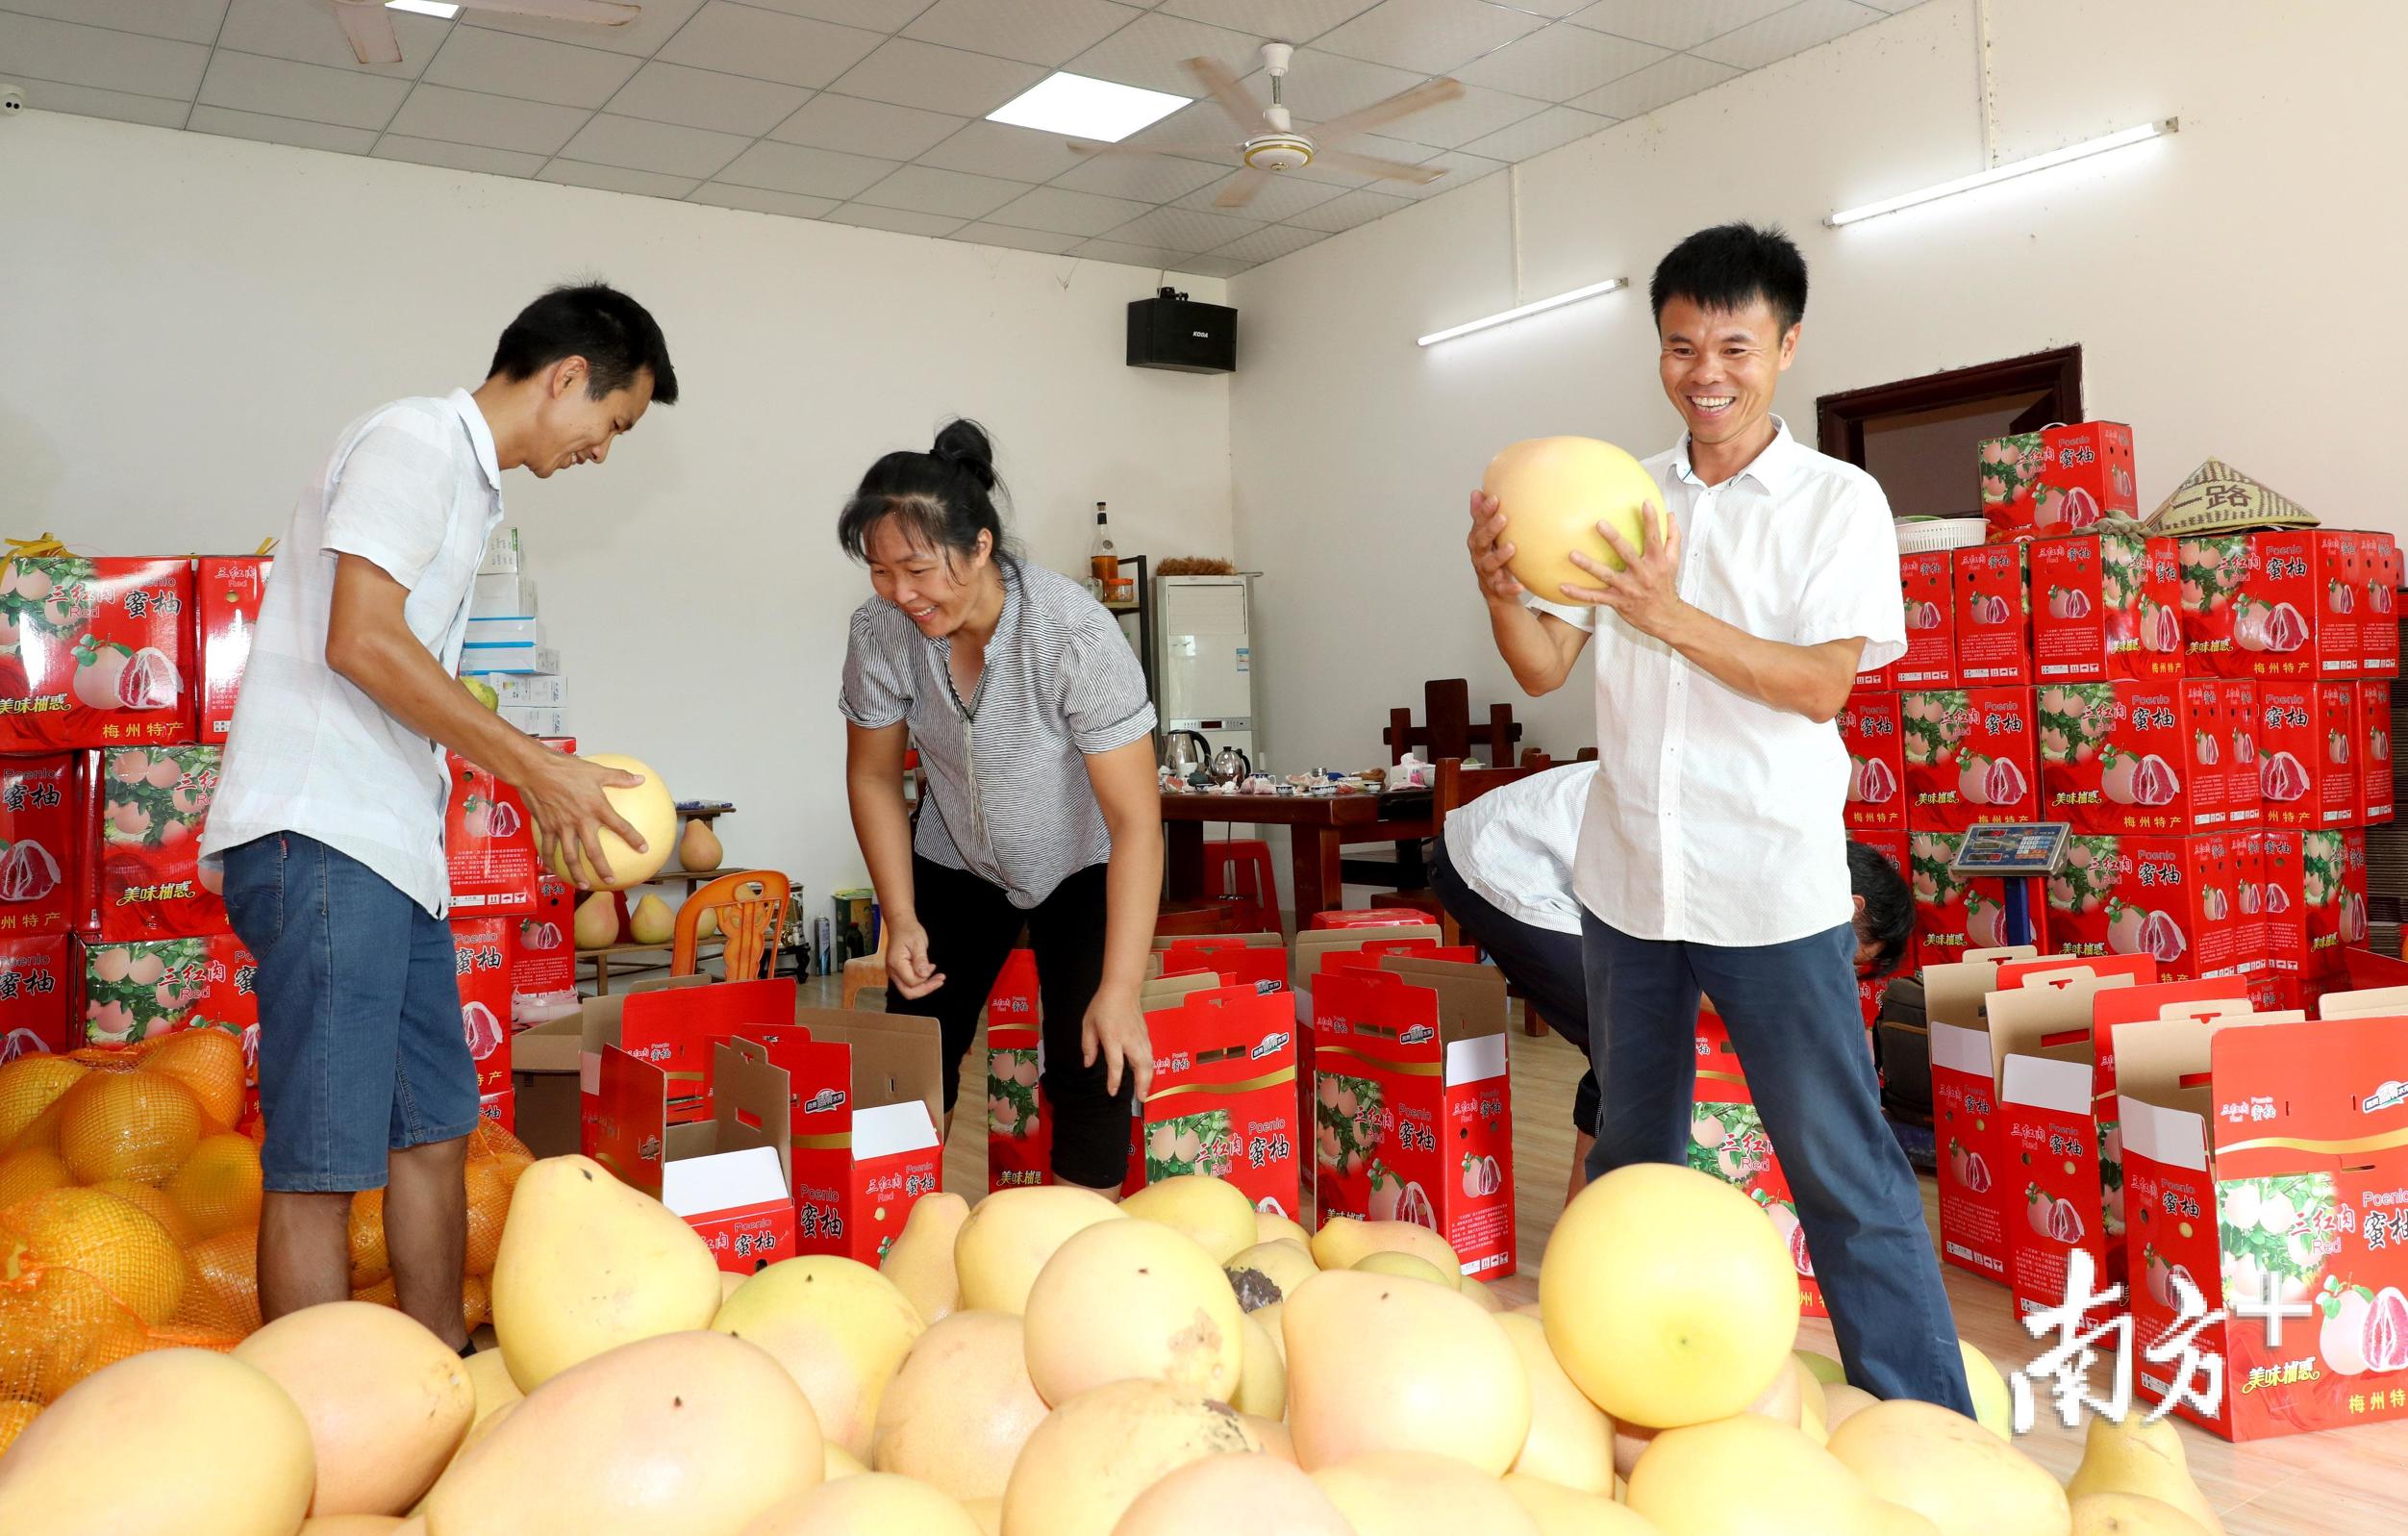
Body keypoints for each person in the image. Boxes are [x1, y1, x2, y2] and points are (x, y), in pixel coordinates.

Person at [1463, 223, 1972, 1410]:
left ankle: (1929, 1428)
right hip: (1630, 884)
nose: (1706, 372)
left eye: (1733, 345)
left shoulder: (1836, 503)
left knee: (1839, 1167)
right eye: (1680, 344)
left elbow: (1819, 685)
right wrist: (1498, 592)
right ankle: (1625, 1407)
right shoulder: (1619, 494)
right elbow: (1541, 667)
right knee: (1634, 1162)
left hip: (1768, 889)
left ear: (1784, 348)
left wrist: (1669, 608)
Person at [202, 284, 678, 1349]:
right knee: (323, 1161)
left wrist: (524, 781)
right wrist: (532, 769)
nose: (604, 451)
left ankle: (434, 1378)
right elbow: (360, 640)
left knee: (432, 1134)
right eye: (614, 423)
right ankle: (322, 1432)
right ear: (565, 378)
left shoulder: (471, 487)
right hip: (323, 836)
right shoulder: (414, 442)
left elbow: (402, 677)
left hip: (388, 853)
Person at [839, 420, 1163, 1195]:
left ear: (981, 546)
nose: (901, 594)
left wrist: (1119, 991)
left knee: (1094, 1049)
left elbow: (1136, 823)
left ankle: (1082, 1241)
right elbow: (876, 778)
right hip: (954, 857)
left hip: (1082, 861)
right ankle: (902, 1227)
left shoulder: (1073, 634)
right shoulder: (881, 632)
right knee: (912, 1048)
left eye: (918, 569)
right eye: (881, 572)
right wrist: (901, 915)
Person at [1431, 760, 1914, 1198]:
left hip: (1544, 865)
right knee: (1633, 1046)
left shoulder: (1785, 863)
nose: (1834, 971)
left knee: (1627, 1047)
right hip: (1503, 859)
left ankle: (1588, 1231)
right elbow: (1715, 983)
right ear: (1851, 908)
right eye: (1848, 958)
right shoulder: (1770, 865)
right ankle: (1593, 1237)